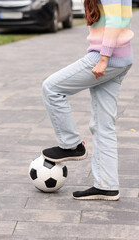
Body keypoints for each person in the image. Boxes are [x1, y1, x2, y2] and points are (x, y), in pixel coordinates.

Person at [41, 0, 133, 200]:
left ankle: (71, 145)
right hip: (120, 58)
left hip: (106, 57)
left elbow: (116, 19)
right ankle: (107, 186)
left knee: (52, 88)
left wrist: (104, 57)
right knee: (103, 126)